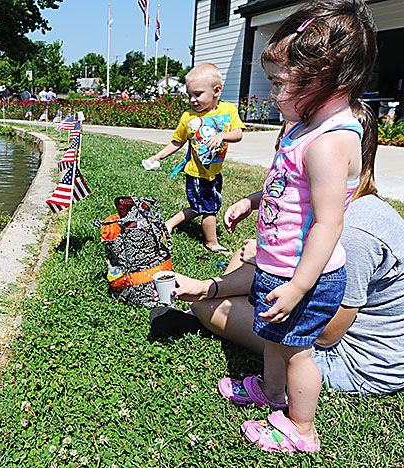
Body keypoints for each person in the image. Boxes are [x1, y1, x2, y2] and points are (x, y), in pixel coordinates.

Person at [211, 0, 376, 452]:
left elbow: (328, 223)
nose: (273, 93)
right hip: (278, 268)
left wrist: (300, 287)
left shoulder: (330, 141)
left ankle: (302, 429)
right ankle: (271, 391)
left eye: (281, 83)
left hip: (308, 277)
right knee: (273, 338)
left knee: (298, 350)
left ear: (325, 73)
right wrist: (252, 199)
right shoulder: (301, 127)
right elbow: (286, 187)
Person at [144, 63, 245, 253]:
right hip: (196, 173)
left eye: (197, 94)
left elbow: (238, 133)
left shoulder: (228, 110)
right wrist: (158, 156)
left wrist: (222, 136)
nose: (192, 100)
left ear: (216, 91)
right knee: (209, 208)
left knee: (200, 206)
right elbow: (177, 142)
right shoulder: (188, 117)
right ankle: (211, 242)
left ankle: (169, 225)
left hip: (215, 171)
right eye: (189, 95)